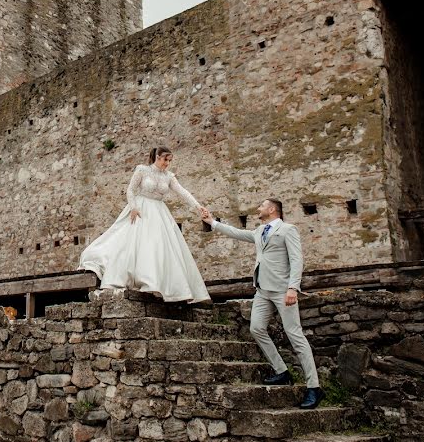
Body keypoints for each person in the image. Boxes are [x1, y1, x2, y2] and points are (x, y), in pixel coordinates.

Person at [201, 199, 324, 409]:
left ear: (272, 209)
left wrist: (293, 288)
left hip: (283, 290)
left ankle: (314, 387)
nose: (258, 208)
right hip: (262, 290)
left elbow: (297, 259)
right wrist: (212, 222)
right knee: (256, 328)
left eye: (261, 206)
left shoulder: (288, 230)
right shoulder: (259, 231)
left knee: (295, 336)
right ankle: (282, 372)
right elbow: (237, 233)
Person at [78, 146, 210, 303]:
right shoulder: (142, 170)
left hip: (159, 213)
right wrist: (133, 207)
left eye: (169, 160)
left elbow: (183, 192)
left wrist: (198, 207)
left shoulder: (169, 176)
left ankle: (156, 284)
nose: (167, 163)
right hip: (140, 210)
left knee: (157, 247)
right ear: (158, 157)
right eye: (166, 159)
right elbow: (130, 190)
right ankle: (136, 279)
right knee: (134, 244)